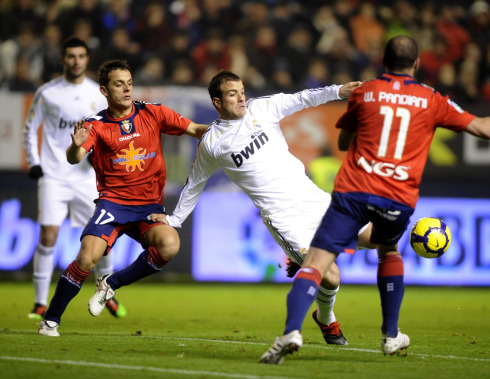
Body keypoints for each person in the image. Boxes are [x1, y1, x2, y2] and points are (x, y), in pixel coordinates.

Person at [259, 35, 490, 364]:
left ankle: (291, 331)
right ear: (417, 64)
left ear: (383, 61)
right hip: (397, 196)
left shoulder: (366, 91)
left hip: (354, 189)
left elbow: (344, 141)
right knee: (388, 249)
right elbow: (488, 130)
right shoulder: (431, 98)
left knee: (316, 262)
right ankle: (390, 336)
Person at [150, 70, 362, 345]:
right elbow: (194, 184)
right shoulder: (212, 143)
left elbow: (303, 98)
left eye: (241, 91)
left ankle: (304, 270)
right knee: (331, 276)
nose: (241, 97)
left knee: (374, 237)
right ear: (217, 102)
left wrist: (337, 91)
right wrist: (174, 219)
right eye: (232, 94)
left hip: (313, 199)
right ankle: (326, 318)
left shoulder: (262, 108)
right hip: (284, 218)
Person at [38, 59, 207, 336]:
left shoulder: (153, 112)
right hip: (113, 204)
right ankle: (50, 320)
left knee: (169, 245)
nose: (127, 89)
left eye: (129, 83)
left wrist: (225, 130)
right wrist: (75, 145)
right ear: (104, 90)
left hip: (148, 207)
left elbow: (194, 129)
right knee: (86, 259)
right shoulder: (96, 124)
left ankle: (111, 283)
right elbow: (75, 157)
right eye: (119, 84)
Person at [23, 37, 126, 321]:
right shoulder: (48, 93)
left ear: (87, 59)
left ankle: (106, 293)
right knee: (48, 236)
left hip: (86, 178)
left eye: (81, 56)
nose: (76, 61)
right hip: (54, 175)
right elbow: (30, 129)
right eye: (71, 56)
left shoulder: (97, 94)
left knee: (102, 236)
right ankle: (40, 303)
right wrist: (35, 163)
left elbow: (109, 131)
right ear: (63, 60)